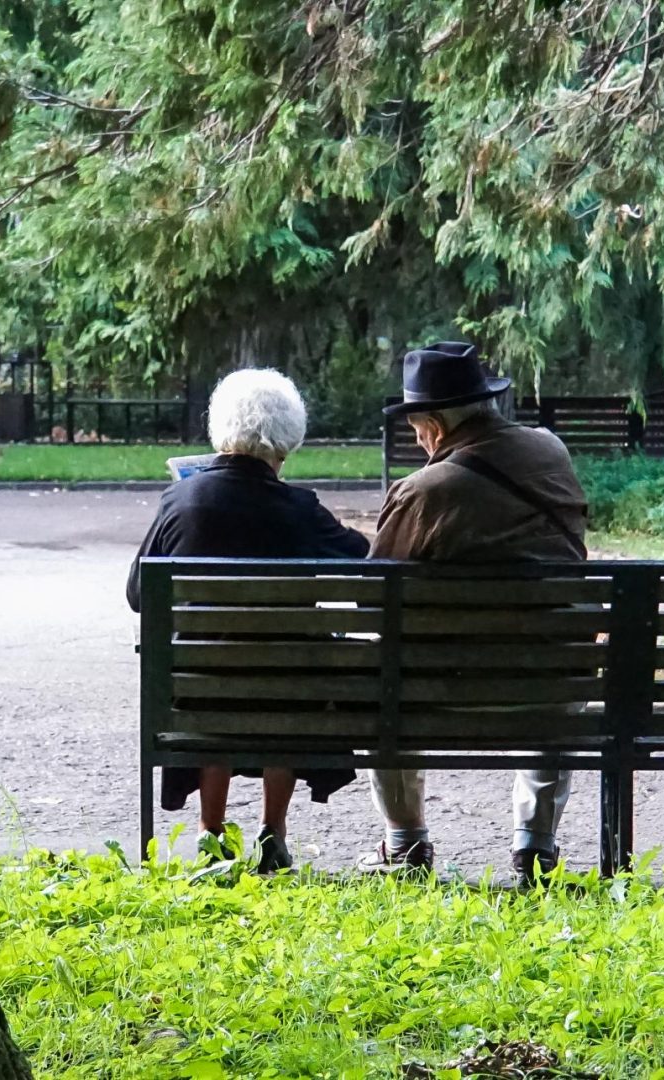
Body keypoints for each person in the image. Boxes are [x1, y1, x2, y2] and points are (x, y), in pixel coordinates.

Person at [360, 342, 590, 886]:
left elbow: (374, 593)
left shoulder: (426, 490)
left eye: (417, 430)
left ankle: (405, 841)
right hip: (554, 680)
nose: (418, 442)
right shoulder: (550, 451)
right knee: (550, 661)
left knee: (381, 676)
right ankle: (534, 845)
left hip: (445, 693)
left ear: (435, 425)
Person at [126, 369, 369, 872]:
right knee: (284, 679)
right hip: (289, 690)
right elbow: (363, 557)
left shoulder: (181, 502)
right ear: (288, 438)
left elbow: (137, 593)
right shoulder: (300, 509)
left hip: (201, 689)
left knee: (218, 686)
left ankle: (210, 831)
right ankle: (272, 830)